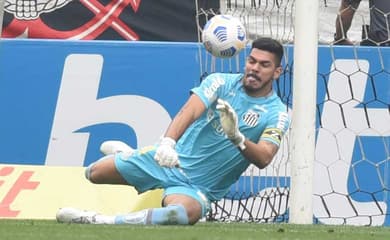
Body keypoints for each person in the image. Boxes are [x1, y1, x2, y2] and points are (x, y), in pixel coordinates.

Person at [56, 37, 291, 225]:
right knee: (94, 173)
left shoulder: (277, 113)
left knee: (180, 215)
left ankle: (99, 220)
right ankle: (139, 153)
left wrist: (236, 137)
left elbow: (264, 157)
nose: (254, 68)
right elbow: (189, 111)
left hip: (199, 187)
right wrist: (168, 143)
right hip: (170, 161)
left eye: (264, 65)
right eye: (251, 61)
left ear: (277, 72)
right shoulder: (221, 82)